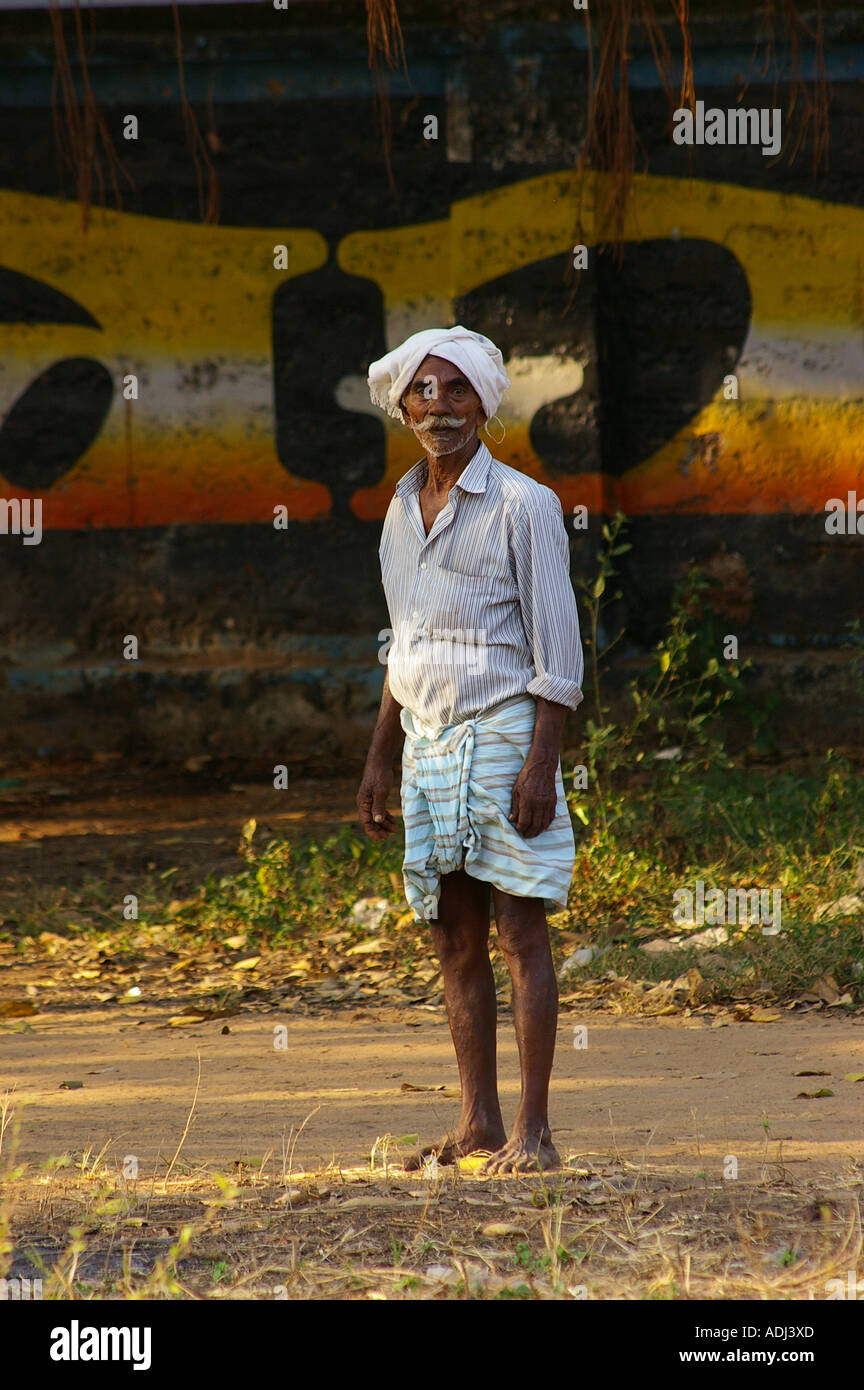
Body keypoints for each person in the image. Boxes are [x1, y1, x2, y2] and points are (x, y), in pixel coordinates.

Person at [356, 326, 584, 1174]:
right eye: (424, 392)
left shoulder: (525, 505)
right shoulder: (399, 508)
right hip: (427, 743)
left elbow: (557, 652)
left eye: (457, 391)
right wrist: (380, 756)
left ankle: (535, 1132)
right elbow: (401, 643)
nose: (439, 407)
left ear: (485, 403)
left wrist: (542, 763)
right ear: (404, 407)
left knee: (520, 931)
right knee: (455, 937)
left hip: (502, 734)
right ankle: (478, 1123)